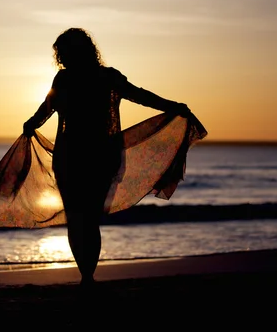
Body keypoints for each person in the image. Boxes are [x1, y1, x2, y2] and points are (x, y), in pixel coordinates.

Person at [22, 27, 193, 287]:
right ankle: (86, 276)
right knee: (83, 218)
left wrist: (172, 106)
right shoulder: (80, 78)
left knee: (82, 219)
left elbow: (140, 96)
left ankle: (86, 276)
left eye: (66, 52)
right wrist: (31, 122)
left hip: (87, 155)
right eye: (61, 54)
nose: (63, 57)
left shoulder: (94, 78)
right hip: (84, 155)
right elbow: (47, 107)